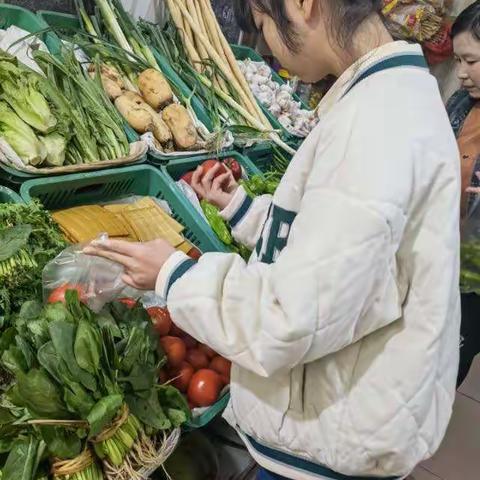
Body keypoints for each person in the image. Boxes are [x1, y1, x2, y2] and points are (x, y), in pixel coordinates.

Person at [86, 1, 461, 479]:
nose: (267, 45)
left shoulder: (377, 126)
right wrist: (244, 211)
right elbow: (340, 253)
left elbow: (291, 316)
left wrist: (173, 274)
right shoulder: (390, 101)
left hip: (326, 452)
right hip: (345, 421)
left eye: (263, 23)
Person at [447, 0, 480, 388]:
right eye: (457, 61)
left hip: (472, 281)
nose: (460, 74)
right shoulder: (461, 103)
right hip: (439, 257)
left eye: (469, 61)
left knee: (449, 359)